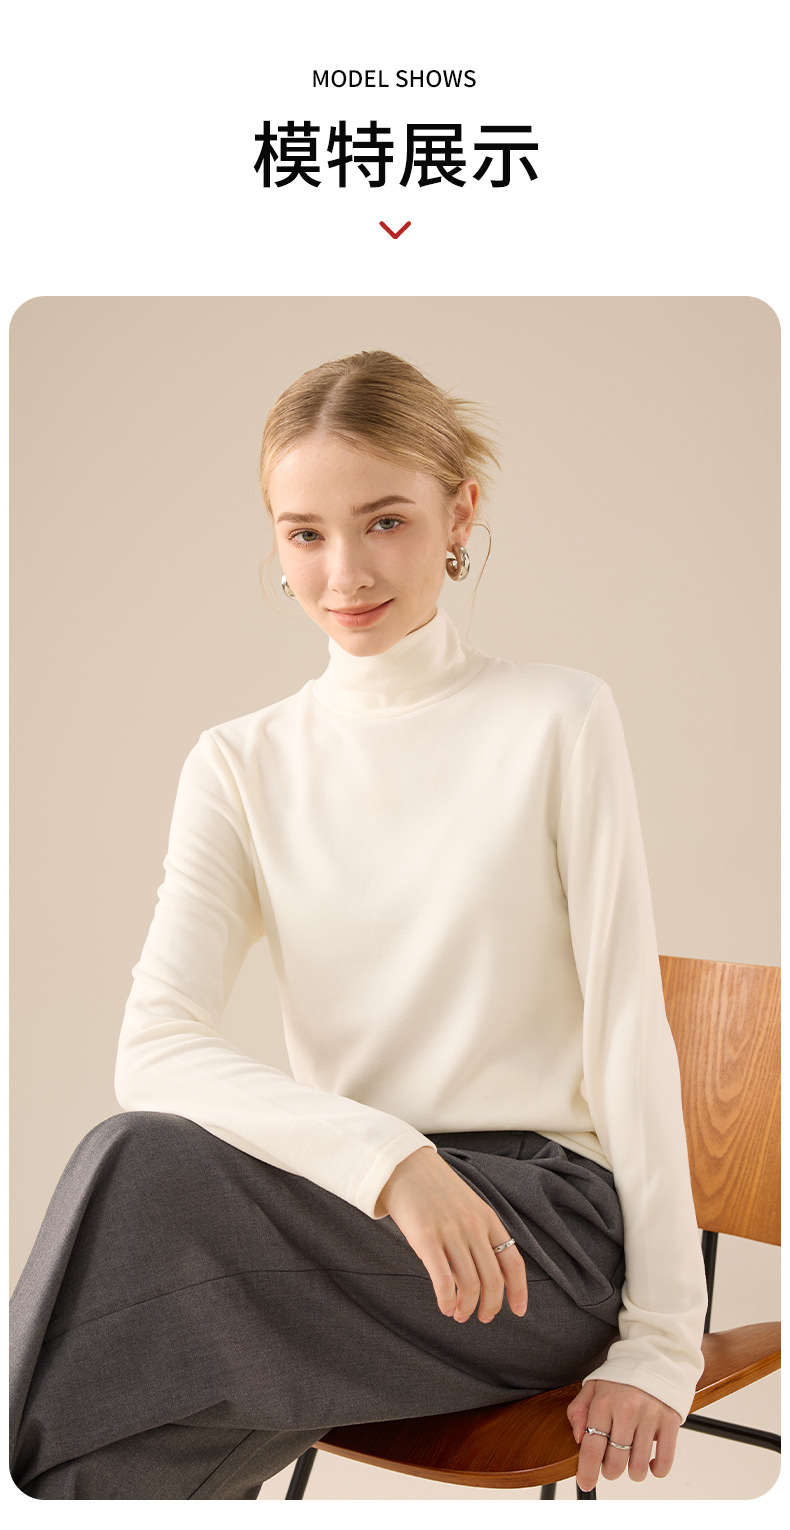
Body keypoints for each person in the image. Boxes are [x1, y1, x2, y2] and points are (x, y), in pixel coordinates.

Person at [10, 350, 708, 1500]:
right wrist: (389, 1161)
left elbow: (630, 1032)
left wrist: (662, 1345)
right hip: (357, 1216)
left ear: (458, 514)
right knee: (120, 1415)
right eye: (304, 533)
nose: (344, 572)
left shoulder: (557, 719)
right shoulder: (240, 763)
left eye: (385, 520)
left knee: (137, 1176)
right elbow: (155, 1045)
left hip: (538, 1238)